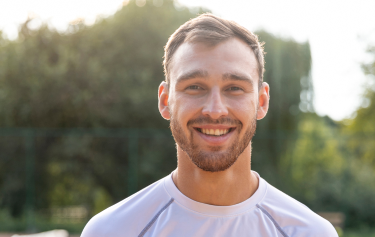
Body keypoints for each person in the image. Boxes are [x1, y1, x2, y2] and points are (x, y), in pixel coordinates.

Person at [81, 14, 338, 237]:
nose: (215, 110)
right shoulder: (112, 231)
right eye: (194, 87)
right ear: (165, 100)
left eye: (235, 88)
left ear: (261, 101)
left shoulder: (310, 233)